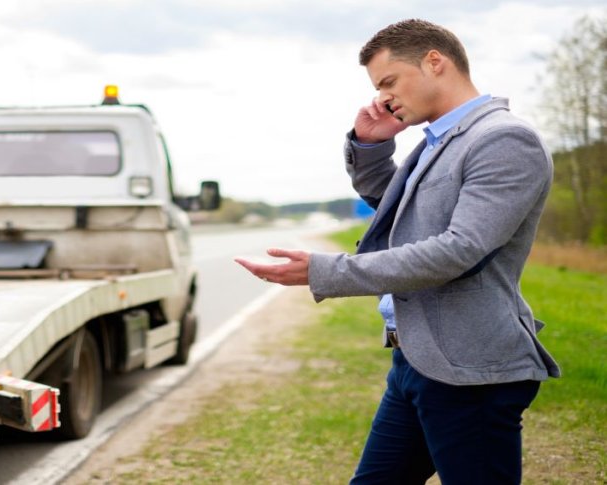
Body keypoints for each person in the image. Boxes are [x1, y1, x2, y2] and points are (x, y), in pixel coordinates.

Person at [235, 19, 560, 484]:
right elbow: (403, 212)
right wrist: (371, 146)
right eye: (377, 88)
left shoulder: (503, 139)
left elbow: (457, 251)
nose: (383, 97)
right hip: (415, 359)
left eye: (389, 82)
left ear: (434, 61)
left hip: (470, 370)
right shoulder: (438, 140)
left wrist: (325, 271)